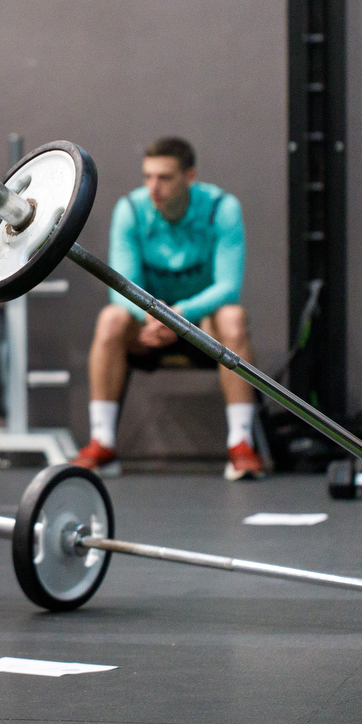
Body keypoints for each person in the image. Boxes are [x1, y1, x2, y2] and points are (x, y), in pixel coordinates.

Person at [72, 137, 258, 480]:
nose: (154, 187)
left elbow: (228, 287)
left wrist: (180, 315)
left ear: (190, 176)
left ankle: (241, 445)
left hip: (201, 330)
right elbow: (121, 288)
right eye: (148, 177)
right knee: (111, 319)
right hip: (149, 330)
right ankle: (103, 443)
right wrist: (155, 317)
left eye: (165, 178)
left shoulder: (222, 208)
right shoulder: (130, 210)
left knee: (234, 317)